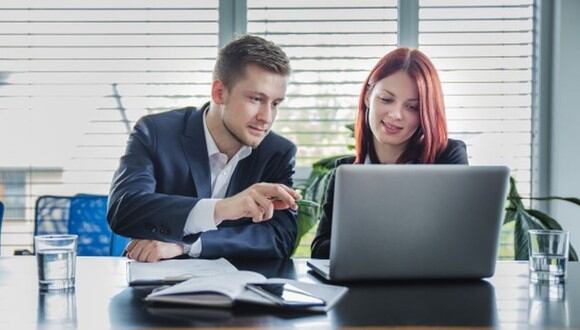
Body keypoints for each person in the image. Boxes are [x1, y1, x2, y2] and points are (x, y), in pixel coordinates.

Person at [107, 35, 301, 262]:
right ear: (219, 92)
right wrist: (221, 209)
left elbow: (279, 238)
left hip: (239, 289)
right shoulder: (156, 132)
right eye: (256, 99)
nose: (266, 118)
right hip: (152, 283)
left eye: (275, 103)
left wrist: (186, 245)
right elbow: (124, 209)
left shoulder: (278, 152)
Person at [311, 48, 468, 259]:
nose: (396, 115)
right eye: (386, 99)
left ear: (425, 114)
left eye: (412, 107)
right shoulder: (345, 172)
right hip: (362, 288)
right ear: (368, 96)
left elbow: (458, 242)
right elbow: (320, 251)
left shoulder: (447, 157)